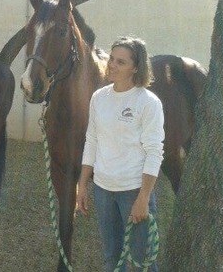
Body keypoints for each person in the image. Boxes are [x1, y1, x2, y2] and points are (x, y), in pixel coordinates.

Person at [76, 37, 164, 272]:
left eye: (121, 62)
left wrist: (143, 199)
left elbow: (154, 153)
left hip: (133, 192)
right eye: (112, 59)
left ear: (136, 67)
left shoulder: (148, 103)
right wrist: (82, 185)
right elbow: (91, 141)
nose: (112, 65)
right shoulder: (99, 98)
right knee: (111, 258)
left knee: (142, 261)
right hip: (103, 191)